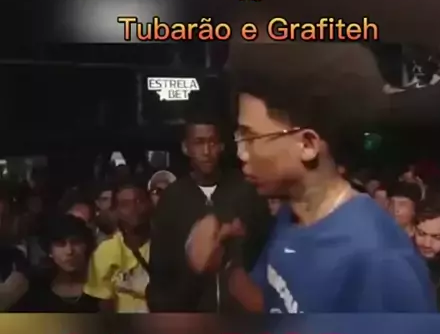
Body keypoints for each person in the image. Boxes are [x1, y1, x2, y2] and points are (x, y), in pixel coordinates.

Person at [185, 42, 436, 313]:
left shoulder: (380, 262)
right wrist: (223, 264)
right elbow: (273, 305)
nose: (242, 153)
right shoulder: (293, 214)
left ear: (307, 145)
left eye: (250, 137)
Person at [146, 113, 271, 312]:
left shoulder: (245, 190)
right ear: (186, 147)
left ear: (221, 146)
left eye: (212, 142)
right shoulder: (172, 198)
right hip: (190, 316)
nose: (206, 151)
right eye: (199, 143)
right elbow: (161, 269)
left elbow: (265, 248)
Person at [83, 180, 152, 313]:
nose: (134, 208)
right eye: (125, 204)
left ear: (150, 204)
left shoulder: (165, 244)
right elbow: (104, 302)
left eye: (139, 201)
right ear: (115, 211)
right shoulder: (105, 252)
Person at [12, 215, 98, 313]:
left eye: (76, 242)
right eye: (61, 244)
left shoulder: (102, 288)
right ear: (50, 251)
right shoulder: (37, 291)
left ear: (86, 246)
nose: (69, 251)